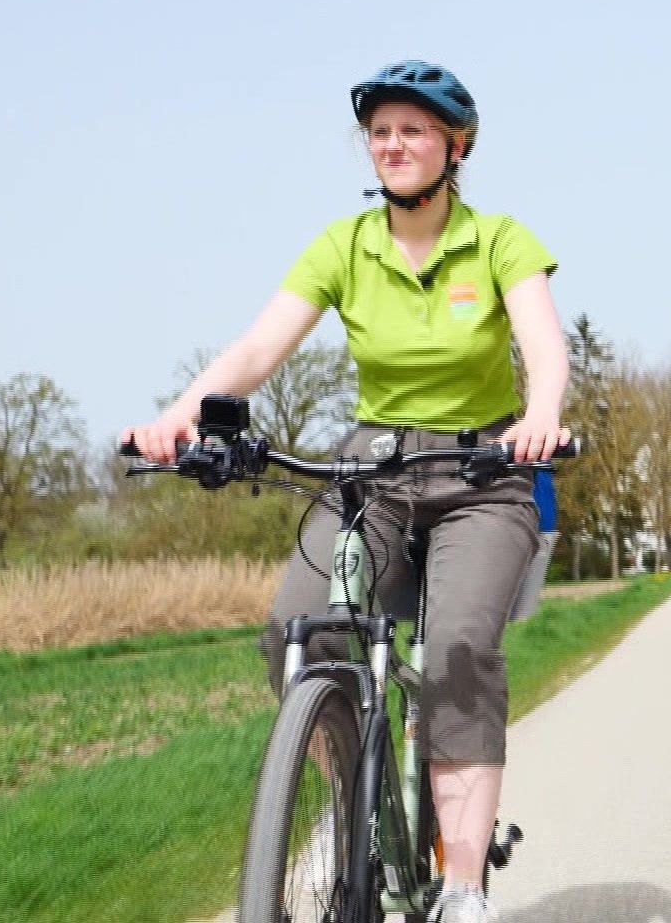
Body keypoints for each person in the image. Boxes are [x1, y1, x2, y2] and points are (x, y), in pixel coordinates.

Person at [123, 59, 568, 923]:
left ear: (456, 146)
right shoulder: (345, 246)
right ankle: (342, 791)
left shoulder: (500, 240)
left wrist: (542, 412)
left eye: (414, 130)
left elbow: (544, 345)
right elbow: (258, 350)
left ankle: (465, 886)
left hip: (483, 477)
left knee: (457, 657)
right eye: (380, 132)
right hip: (374, 472)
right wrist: (184, 414)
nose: (393, 145)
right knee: (297, 632)